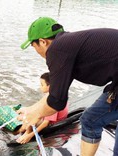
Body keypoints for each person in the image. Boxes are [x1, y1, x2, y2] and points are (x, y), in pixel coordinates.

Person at [17, 17, 118, 156]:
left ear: (42, 41)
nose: (37, 52)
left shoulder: (56, 50)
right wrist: (31, 109)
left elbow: (56, 102)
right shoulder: (68, 45)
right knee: (91, 119)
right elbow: (54, 92)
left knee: (91, 120)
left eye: (34, 47)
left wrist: (36, 115)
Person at [16, 72, 68, 144]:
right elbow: (37, 107)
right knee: (25, 115)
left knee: (28, 119)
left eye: (42, 85)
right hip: (55, 120)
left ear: (49, 86)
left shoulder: (52, 100)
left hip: (52, 124)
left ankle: (23, 133)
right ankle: (21, 132)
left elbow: (45, 123)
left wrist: (30, 136)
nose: (40, 87)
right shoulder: (57, 94)